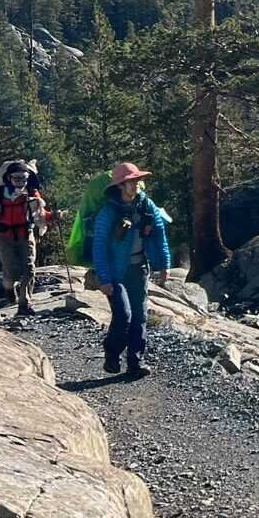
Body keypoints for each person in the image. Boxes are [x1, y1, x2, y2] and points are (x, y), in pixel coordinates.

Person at [92, 162, 171, 378]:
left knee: (139, 316)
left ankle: (136, 363)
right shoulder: (108, 212)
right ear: (120, 185)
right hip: (115, 273)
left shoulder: (146, 205)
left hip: (139, 269)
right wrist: (104, 278)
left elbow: (160, 235)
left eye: (137, 180)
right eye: (131, 181)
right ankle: (112, 353)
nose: (136, 184)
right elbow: (99, 246)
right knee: (123, 315)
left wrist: (164, 265)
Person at [0, 159, 47, 315]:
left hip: (25, 233)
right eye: (17, 178)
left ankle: (24, 304)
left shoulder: (31, 193)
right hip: (3, 236)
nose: (21, 182)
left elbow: (41, 214)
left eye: (24, 178)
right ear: (9, 178)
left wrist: (53, 216)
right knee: (11, 272)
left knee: (29, 269)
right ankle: (9, 288)